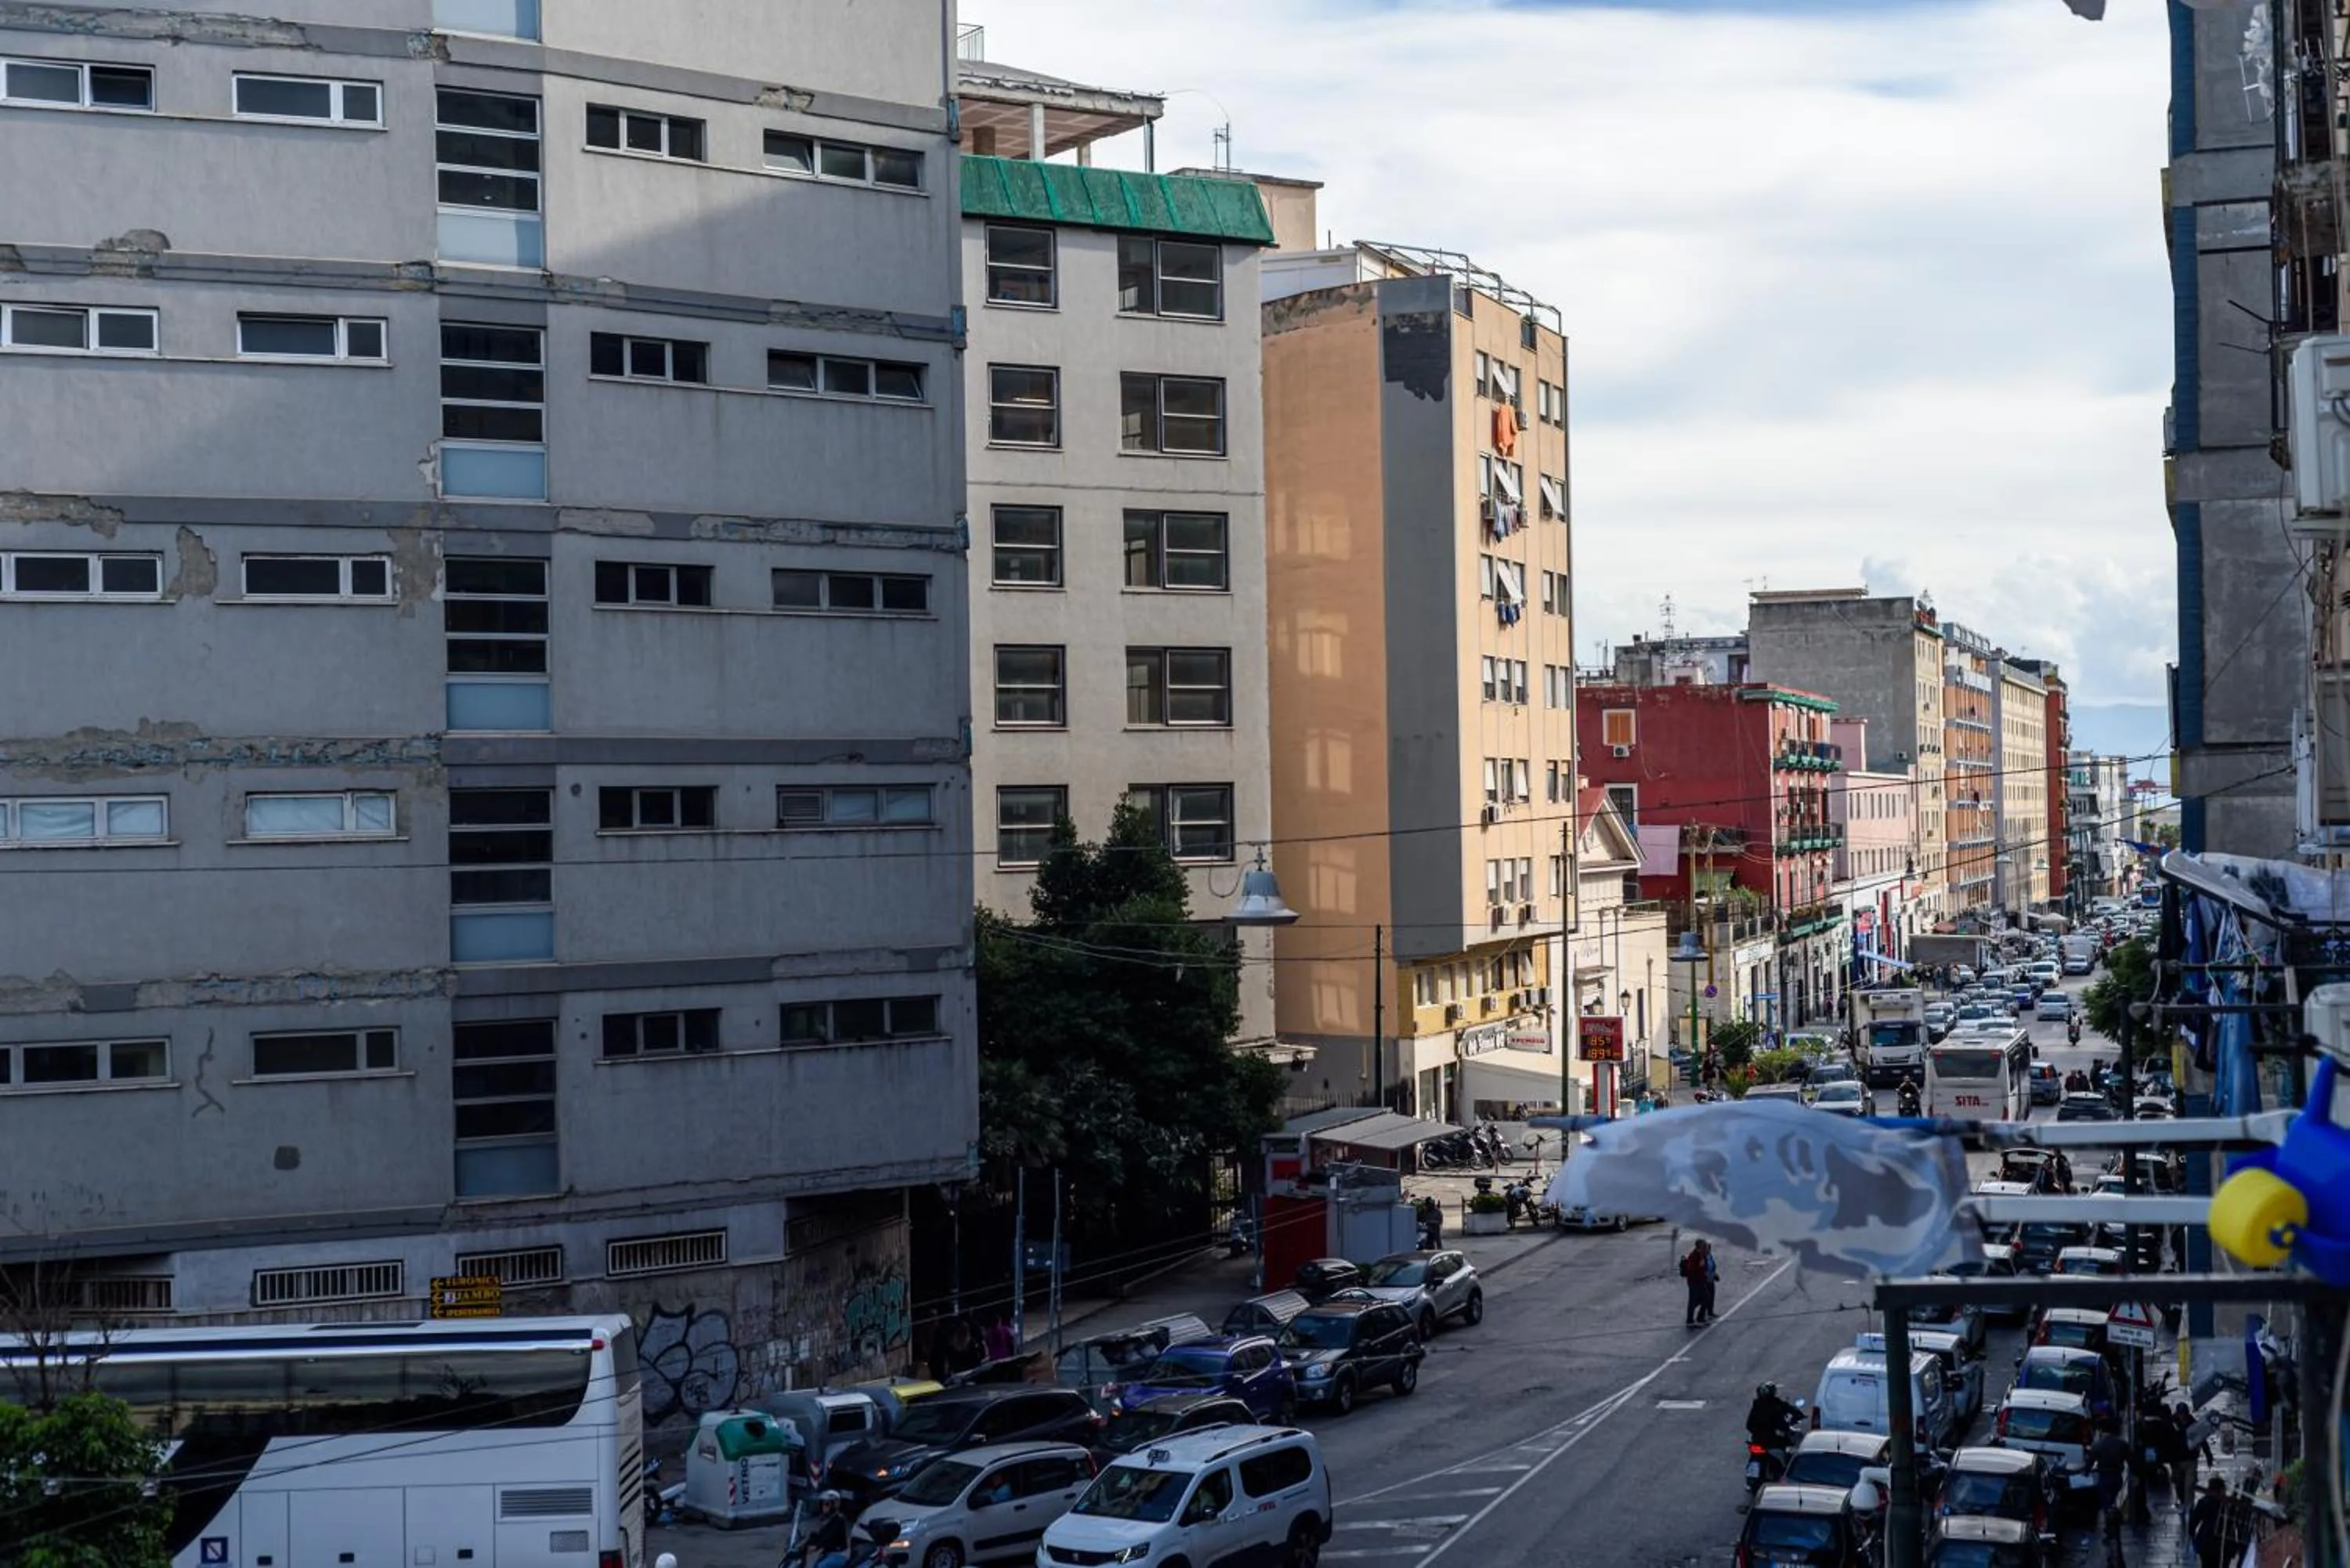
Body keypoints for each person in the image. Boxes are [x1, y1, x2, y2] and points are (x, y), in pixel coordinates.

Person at [803, 1490, 853, 1568]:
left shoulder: (839, 1519)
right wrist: (805, 1543)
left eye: (827, 1504)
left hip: (839, 1554)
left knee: (821, 1566)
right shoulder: (827, 1519)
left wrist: (816, 1546)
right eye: (822, 1504)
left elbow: (828, 1537)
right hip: (828, 1553)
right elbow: (819, 1534)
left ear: (834, 1505)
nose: (824, 1507)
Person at [1745, 1381, 1799, 1447]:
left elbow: (1749, 1425)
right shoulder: (1775, 1406)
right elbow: (1782, 1425)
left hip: (1758, 1440)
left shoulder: (1757, 1405)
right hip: (1772, 1440)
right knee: (1790, 1442)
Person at [1680, 1240, 1713, 1327]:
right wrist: (1700, 1267)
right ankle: (1690, 1321)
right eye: (1704, 1246)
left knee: (1706, 1297)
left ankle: (1700, 1318)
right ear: (1700, 1247)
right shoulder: (1694, 1256)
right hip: (1694, 1281)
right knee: (1693, 1300)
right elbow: (1692, 1269)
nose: (1706, 1248)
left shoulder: (1702, 1255)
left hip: (1700, 1281)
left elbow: (1704, 1267)